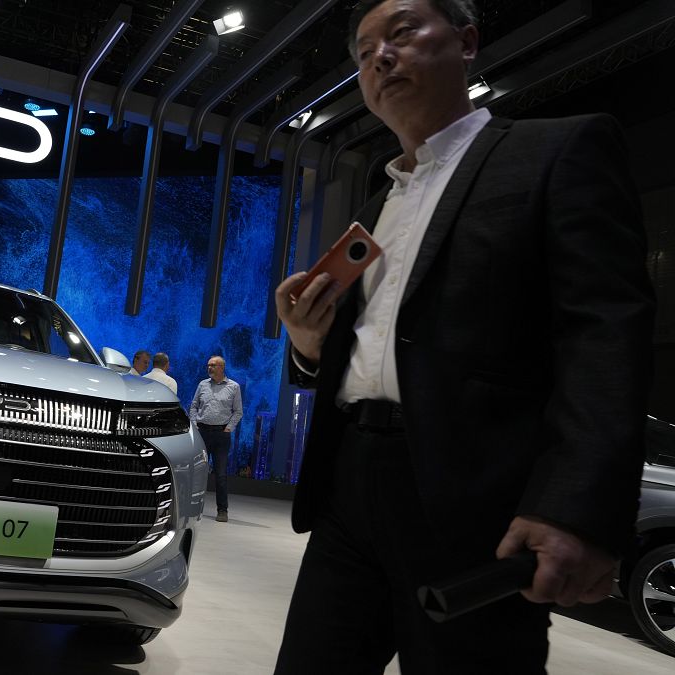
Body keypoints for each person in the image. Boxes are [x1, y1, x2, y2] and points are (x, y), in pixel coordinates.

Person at [271, 1, 654, 672]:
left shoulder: (557, 149)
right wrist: (309, 345)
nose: (379, 58)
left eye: (401, 33)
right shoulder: (372, 207)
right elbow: (372, 353)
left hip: (477, 503)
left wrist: (577, 507)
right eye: (363, 54)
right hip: (347, 490)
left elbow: (605, 336)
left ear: (468, 40)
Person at [189, 355, 242, 523]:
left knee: (220, 475)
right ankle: (191, 508)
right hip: (202, 433)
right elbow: (193, 406)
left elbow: (238, 411)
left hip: (221, 435)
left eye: (212, 365)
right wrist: (194, 424)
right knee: (196, 473)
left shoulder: (234, 387)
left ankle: (222, 510)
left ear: (221, 368)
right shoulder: (202, 384)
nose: (209, 368)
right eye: (208, 365)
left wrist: (228, 428)